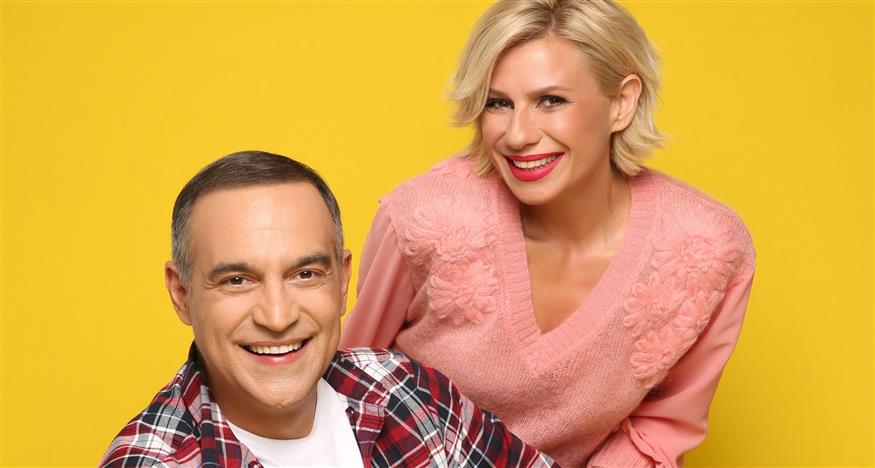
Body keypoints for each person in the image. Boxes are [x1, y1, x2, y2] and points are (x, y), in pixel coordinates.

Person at [340, 1, 756, 466]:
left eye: (551, 101)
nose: (517, 135)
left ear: (622, 102)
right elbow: (349, 383)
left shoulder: (708, 249)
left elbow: (659, 428)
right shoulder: (423, 218)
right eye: (498, 103)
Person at [100, 151, 555, 467]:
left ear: (342, 282)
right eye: (237, 280)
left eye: (305, 274)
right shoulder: (151, 461)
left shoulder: (403, 389)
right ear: (181, 294)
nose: (277, 317)